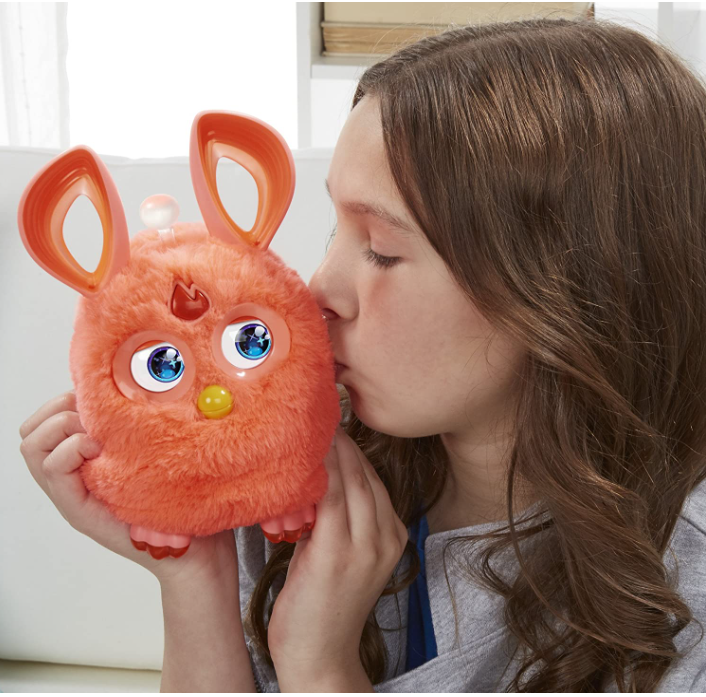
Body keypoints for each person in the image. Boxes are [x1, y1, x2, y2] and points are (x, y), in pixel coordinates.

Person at [19, 15, 706, 692]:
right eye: (334, 232)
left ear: (568, 285)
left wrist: (320, 666)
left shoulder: (682, 582)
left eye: (380, 249)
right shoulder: (296, 475)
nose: (319, 290)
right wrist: (197, 573)